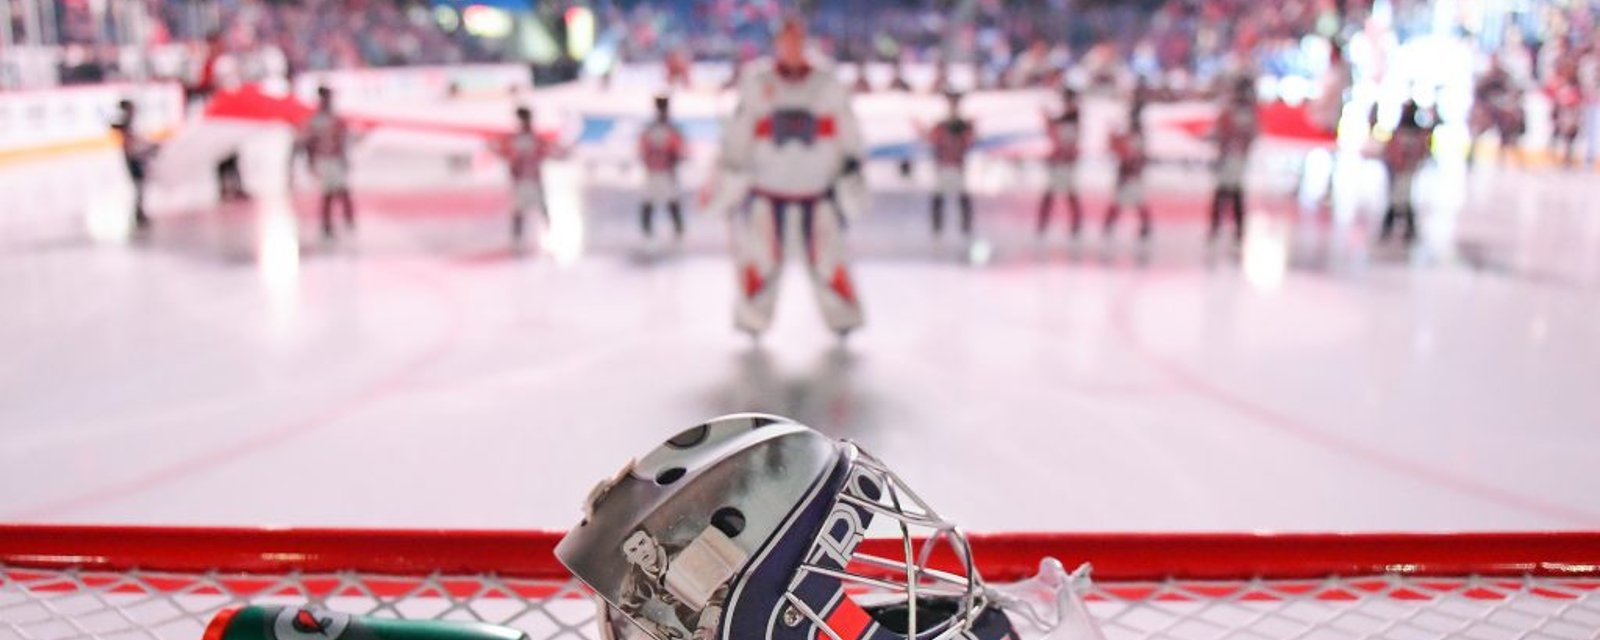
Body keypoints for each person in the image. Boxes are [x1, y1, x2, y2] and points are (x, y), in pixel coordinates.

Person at [711, 16, 866, 339]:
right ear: (777, 44)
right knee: (761, 261)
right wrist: (728, 179)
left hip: (816, 190)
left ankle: (842, 319)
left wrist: (851, 170)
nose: (791, 46)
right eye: (785, 40)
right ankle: (753, 319)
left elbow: (848, 130)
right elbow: (740, 135)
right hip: (769, 191)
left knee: (828, 261)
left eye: (796, 39)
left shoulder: (827, 83)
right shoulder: (757, 83)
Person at [498, 106, 563, 243]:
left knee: (537, 206)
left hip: (531, 177)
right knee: (520, 208)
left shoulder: (532, 139)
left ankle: (549, 234)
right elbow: (509, 154)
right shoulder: (519, 139)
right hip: (523, 178)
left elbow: (546, 151)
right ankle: (518, 237)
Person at [299, 86, 354, 240]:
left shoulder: (334, 119)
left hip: (334, 158)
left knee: (342, 190)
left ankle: (347, 220)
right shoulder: (316, 120)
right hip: (325, 160)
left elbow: (343, 140)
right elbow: (308, 143)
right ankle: (327, 225)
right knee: (328, 193)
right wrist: (311, 162)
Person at [1210, 75, 1258, 244]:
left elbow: (1250, 135)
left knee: (1231, 191)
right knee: (1226, 191)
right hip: (1230, 156)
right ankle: (1220, 228)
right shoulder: (1232, 111)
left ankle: (1231, 230)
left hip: (1235, 157)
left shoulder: (1242, 112)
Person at [1380, 100, 1433, 245]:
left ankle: (1408, 229)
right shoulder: (1398, 131)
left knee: (1403, 197)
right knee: (1396, 197)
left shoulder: (1415, 133)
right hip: (1398, 169)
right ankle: (1392, 226)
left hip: (1407, 169)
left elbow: (1421, 151)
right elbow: (1391, 150)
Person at [925, 91, 976, 238]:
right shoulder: (942, 126)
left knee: (962, 197)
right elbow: (933, 138)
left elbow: (969, 141)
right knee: (939, 197)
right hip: (943, 165)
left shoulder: (964, 125)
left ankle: (966, 228)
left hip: (957, 166)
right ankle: (937, 228)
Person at [638, 95, 687, 242]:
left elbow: (678, 150)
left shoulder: (671, 130)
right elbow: (643, 148)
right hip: (655, 171)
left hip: (666, 171)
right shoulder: (652, 129)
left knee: (671, 200)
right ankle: (647, 230)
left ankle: (677, 230)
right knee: (651, 200)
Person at [1036, 87, 1083, 238]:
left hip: (1064, 161)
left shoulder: (1072, 118)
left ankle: (1074, 225)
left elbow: (1060, 130)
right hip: (1060, 161)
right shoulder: (1067, 119)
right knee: (1056, 193)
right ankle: (1045, 224)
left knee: (1064, 193)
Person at [1104, 109, 1152, 241]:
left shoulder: (1136, 136)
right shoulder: (1133, 136)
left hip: (1130, 173)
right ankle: (1110, 226)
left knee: (1131, 200)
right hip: (1128, 172)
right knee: (1125, 201)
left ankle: (1144, 228)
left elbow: (1136, 155)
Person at [111, 99, 158, 232]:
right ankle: (138, 212)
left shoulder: (126, 124)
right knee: (138, 185)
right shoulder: (124, 123)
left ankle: (139, 211)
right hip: (132, 157)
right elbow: (129, 141)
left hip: (134, 156)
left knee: (140, 185)